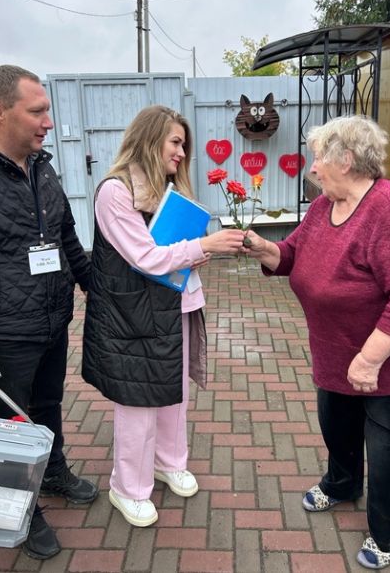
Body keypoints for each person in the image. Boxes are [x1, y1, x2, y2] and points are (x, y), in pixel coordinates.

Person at [241, 115, 390, 570]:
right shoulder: (325, 205)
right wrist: (264, 249)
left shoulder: (388, 209)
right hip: (339, 354)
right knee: (338, 429)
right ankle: (341, 484)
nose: (313, 168)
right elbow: (293, 253)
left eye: (319, 158)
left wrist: (370, 360)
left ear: (348, 160)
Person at [82, 105, 245, 527]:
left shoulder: (167, 188)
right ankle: (127, 489)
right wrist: (204, 247)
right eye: (175, 142)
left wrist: (193, 255)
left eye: (183, 145)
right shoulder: (115, 191)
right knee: (138, 401)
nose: (181, 153)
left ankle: (169, 462)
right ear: (149, 138)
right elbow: (145, 256)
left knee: (175, 393)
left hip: (178, 304)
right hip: (133, 315)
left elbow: (172, 254)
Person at [0, 65, 98, 560]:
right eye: (37, 110)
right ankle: (20, 508)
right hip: (4, 331)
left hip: (51, 318)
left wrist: (93, 288)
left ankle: (55, 472)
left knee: (46, 408)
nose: (48, 120)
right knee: (11, 425)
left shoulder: (41, 166)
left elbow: (65, 237)